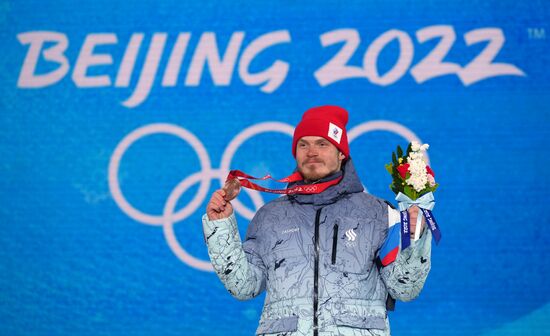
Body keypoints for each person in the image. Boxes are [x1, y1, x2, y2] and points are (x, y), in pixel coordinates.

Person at [203, 105, 432, 336]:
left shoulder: (379, 214)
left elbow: (405, 288)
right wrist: (221, 228)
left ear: (341, 154)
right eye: (304, 144)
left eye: (322, 144)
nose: (311, 152)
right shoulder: (269, 217)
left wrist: (417, 236)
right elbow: (244, 286)